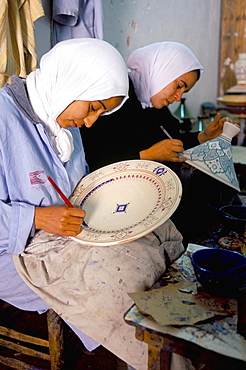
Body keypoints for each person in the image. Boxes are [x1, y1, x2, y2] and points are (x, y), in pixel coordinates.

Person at [0, 38, 186, 370]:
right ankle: (159, 360)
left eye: (101, 111)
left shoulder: (61, 117)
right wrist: (36, 218)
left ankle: (180, 337)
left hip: (66, 232)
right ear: (73, 82)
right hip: (16, 251)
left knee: (159, 230)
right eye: (93, 107)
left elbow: (81, 185)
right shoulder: (3, 120)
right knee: (123, 278)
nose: (90, 123)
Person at [81, 42, 240, 246]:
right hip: (113, 202)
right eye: (179, 85)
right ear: (164, 70)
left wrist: (202, 138)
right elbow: (93, 158)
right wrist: (147, 154)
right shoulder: (116, 100)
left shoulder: (152, 103)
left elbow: (169, 140)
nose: (178, 97)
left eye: (184, 91)